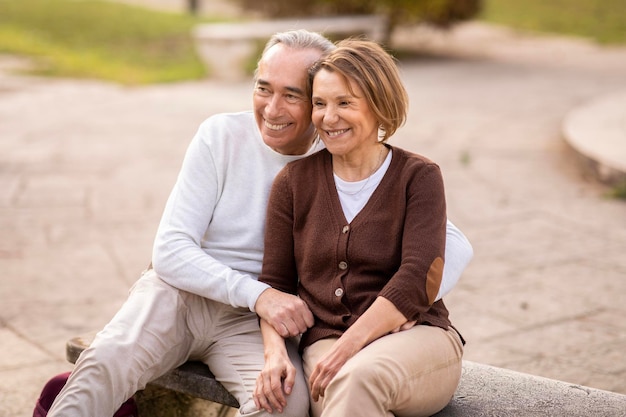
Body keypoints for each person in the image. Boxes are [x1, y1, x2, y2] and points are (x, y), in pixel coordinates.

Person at [48, 30, 471, 417]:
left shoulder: (343, 155)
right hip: (180, 297)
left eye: (293, 95)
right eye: (263, 88)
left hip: (251, 324)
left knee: (282, 404)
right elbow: (171, 251)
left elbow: (450, 247)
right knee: (106, 360)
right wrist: (261, 296)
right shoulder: (222, 137)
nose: (272, 109)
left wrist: (402, 308)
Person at [254, 39, 465, 417]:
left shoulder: (419, 177)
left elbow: (419, 276)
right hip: (326, 345)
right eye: (320, 103)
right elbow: (275, 286)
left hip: (416, 340)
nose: (328, 118)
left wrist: (350, 346)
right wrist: (273, 355)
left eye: (344, 103)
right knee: (347, 383)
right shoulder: (293, 183)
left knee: (357, 377)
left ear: (380, 105)